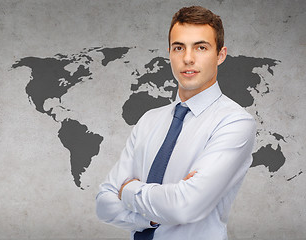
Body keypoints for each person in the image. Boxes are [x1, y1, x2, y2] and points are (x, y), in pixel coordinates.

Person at [96, 6, 256, 240]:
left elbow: (185, 206)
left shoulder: (234, 122)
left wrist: (127, 190)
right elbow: (103, 203)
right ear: (169, 52)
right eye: (178, 47)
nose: (188, 58)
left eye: (201, 47)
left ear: (220, 55)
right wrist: (150, 217)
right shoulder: (149, 120)